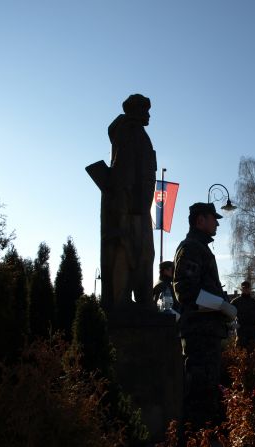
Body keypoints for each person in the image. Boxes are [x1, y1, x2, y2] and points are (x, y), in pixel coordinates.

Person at [173, 202, 237, 429]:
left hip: (206, 333)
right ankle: (194, 442)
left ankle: (203, 439)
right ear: (200, 220)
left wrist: (222, 307)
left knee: (207, 390)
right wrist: (220, 305)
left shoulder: (199, 247)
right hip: (199, 334)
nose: (217, 224)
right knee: (199, 391)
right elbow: (185, 291)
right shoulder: (191, 247)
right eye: (213, 219)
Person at [100, 94, 156, 312]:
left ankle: (139, 299)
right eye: (145, 110)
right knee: (129, 253)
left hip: (137, 207)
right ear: (135, 111)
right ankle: (125, 301)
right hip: (131, 209)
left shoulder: (135, 132)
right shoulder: (129, 132)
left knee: (141, 255)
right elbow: (124, 174)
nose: (148, 115)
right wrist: (124, 212)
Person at [231, 281, 255, 351]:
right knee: (239, 352)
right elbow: (229, 315)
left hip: (253, 332)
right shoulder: (235, 302)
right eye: (244, 288)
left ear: (250, 289)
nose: (246, 289)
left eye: (248, 288)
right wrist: (234, 326)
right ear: (241, 289)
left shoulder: (254, 302)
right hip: (241, 332)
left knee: (253, 353)